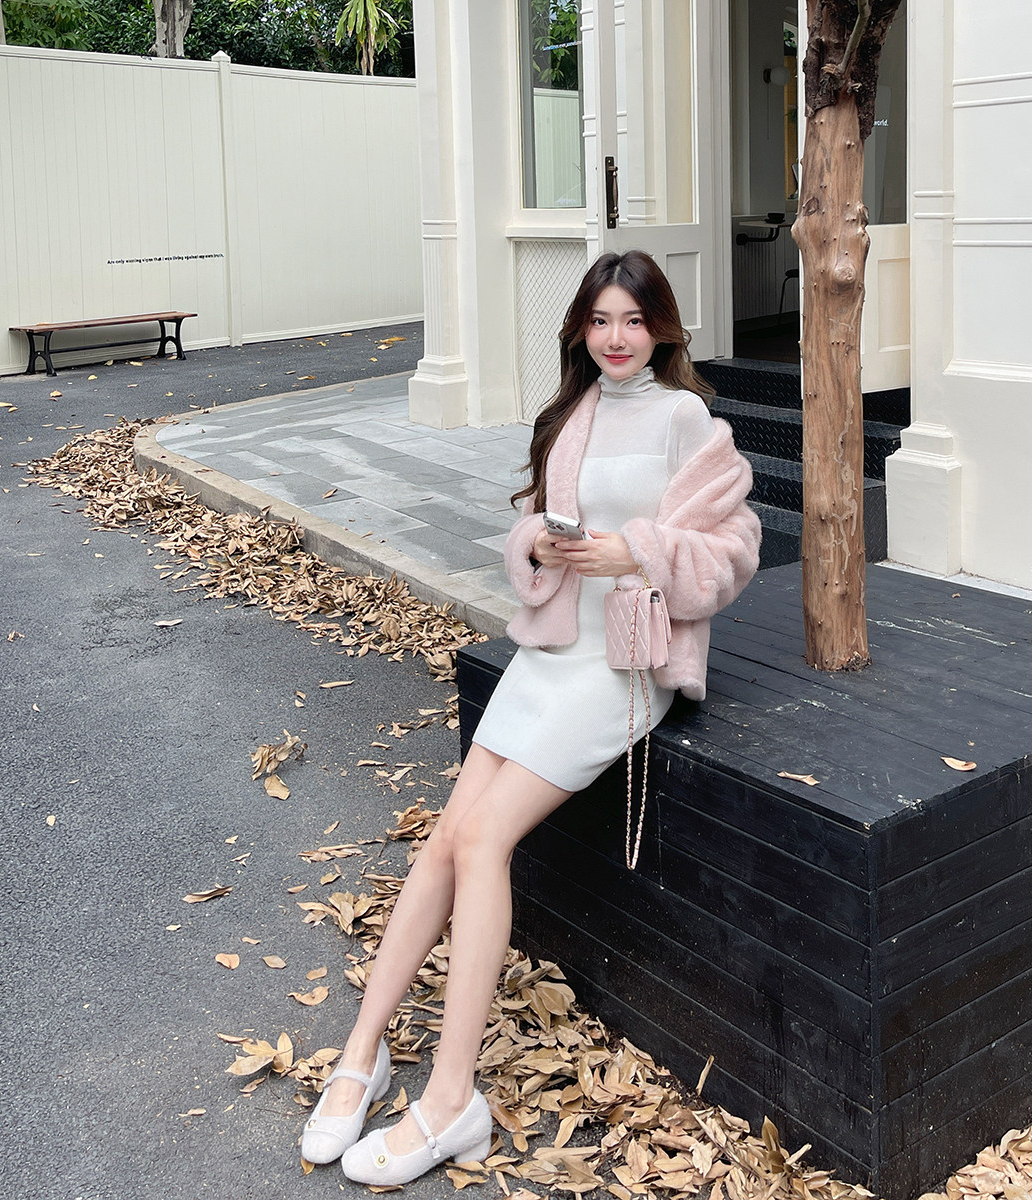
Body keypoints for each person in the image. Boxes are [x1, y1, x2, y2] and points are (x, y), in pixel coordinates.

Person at [301, 249, 762, 1186]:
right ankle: (362, 1052)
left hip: (622, 667)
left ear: (662, 328)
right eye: (600, 320)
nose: (617, 338)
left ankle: (451, 1100)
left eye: (633, 320)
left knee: (483, 841)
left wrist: (638, 552)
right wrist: (541, 545)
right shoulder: (573, 415)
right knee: (445, 838)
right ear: (580, 331)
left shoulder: (685, 418)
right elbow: (531, 528)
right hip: (550, 656)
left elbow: (735, 550)